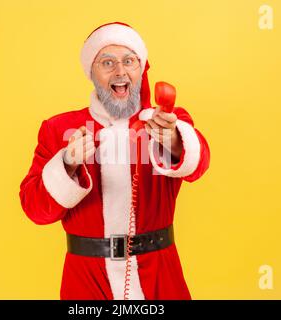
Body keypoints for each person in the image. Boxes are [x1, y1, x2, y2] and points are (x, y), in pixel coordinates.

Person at [19, 22, 211, 300]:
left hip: (158, 274)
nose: (120, 71)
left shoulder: (165, 122)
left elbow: (199, 163)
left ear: (140, 68)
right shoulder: (59, 128)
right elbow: (36, 210)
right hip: (87, 279)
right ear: (92, 73)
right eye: (107, 62)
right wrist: (67, 164)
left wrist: (173, 140)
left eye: (129, 61)